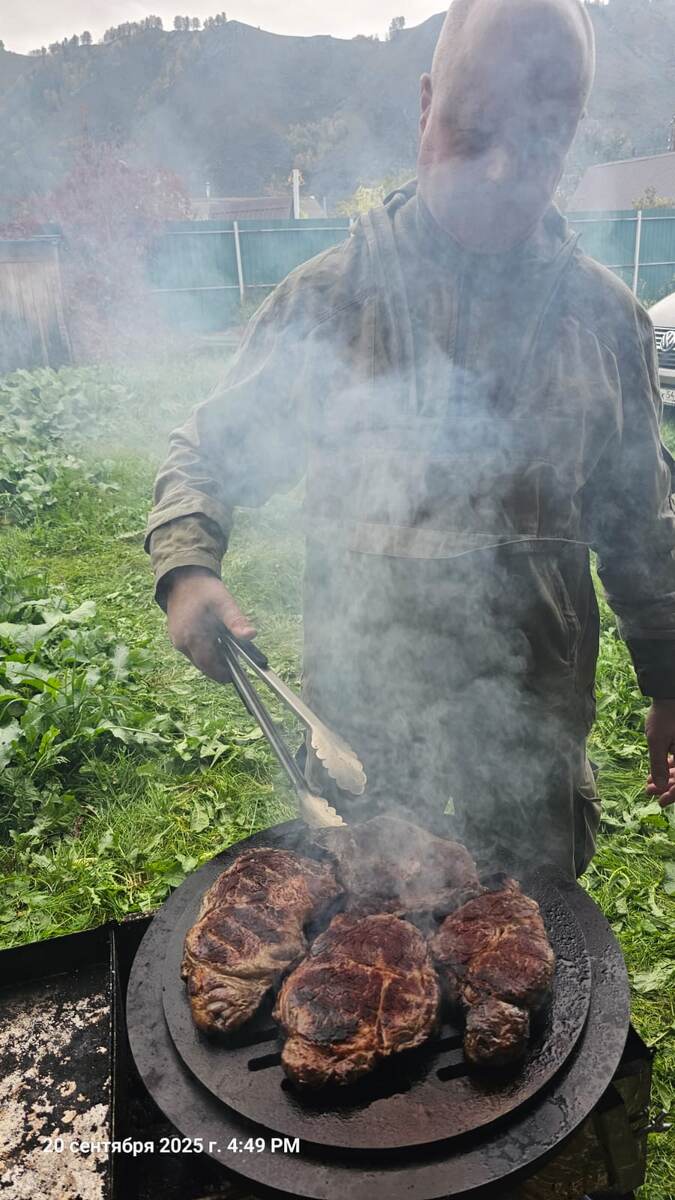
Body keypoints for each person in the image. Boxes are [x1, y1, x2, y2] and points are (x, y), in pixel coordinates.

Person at [146, 0, 675, 878]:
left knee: (527, 973)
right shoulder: (333, 302)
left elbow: (642, 529)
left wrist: (668, 681)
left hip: (532, 761)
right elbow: (208, 450)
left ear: (571, 136)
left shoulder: (603, 322)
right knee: (371, 974)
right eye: (473, 132)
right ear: (425, 105)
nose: (502, 171)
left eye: (537, 143)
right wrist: (188, 564)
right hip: (370, 754)